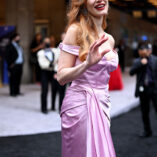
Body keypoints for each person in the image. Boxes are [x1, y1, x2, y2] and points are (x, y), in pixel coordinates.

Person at [57, 0, 118, 156]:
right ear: (83, 3)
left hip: (103, 104)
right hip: (80, 105)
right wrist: (86, 65)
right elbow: (61, 76)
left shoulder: (109, 39)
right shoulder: (75, 31)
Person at [130, 41, 157, 137]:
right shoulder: (138, 61)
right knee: (145, 112)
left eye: (149, 49)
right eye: (144, 49)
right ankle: (147, 130)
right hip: (143, 90)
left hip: (154, 88)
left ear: (151, 50)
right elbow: (131, 73)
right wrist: (140, 64)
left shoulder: (155, 60)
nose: (147, 51)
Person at [37, 37, 55, 114]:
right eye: (46, 42)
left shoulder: (54, 51)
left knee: (54, 89)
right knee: (44, 90)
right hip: (44, 72)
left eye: (49, 41)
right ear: (43, 43)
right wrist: (50, 65)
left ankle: (53, 106)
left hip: (53, 72)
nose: (48, 43)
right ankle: (44, 108)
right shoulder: (40, 52)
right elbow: (42, 64)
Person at [50, 34, 66, 111]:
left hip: (65, 72)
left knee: (62, 91)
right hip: (57, 71)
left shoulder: (71, 47)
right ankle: (53, 106)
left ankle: (61, 108)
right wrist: (56, 72)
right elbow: (56, 61)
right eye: (63, 36)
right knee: (54, 90)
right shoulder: (59, 47)